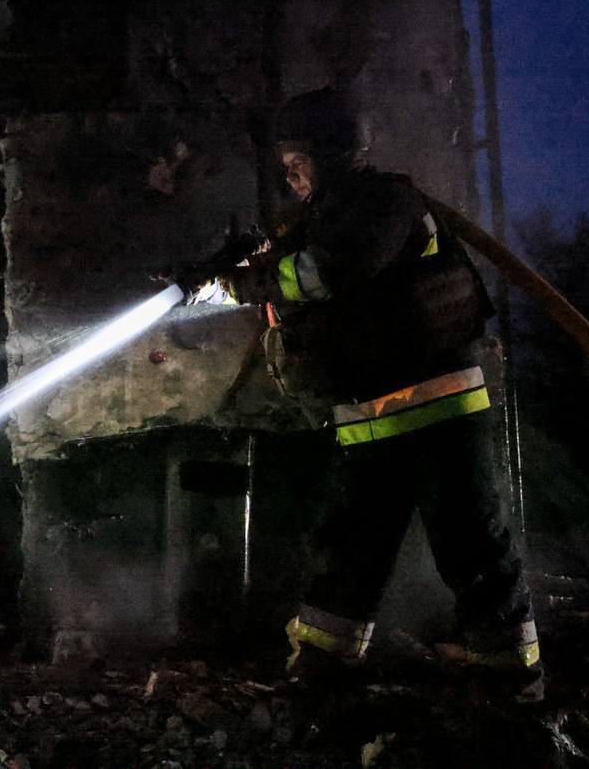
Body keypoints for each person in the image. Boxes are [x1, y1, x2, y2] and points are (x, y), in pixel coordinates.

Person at [179, 87, 542, 702]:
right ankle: (323, 664)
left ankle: (510, 677)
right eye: (285, 166)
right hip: (370, 415)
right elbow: (284, 274)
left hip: (438, 406)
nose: (291, 177)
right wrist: (213, 279)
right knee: (350, 547)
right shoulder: (323, 218)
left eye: (298, 163)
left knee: (469, 543)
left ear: (331, 154)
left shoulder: (384, 203)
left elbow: (326, 272)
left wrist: (248, 282)